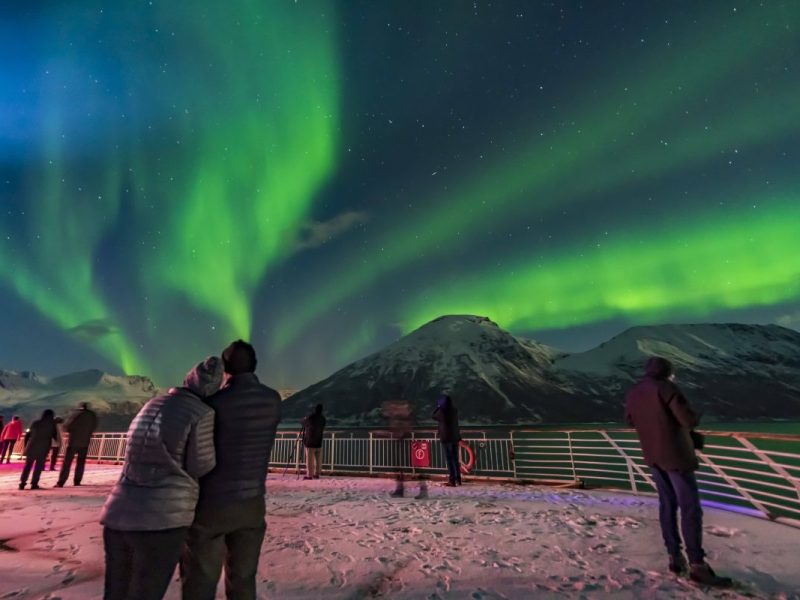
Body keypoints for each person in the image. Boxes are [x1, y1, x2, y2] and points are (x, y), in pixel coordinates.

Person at [100, 357, 220, 600]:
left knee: (116, 591)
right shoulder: (202, 413)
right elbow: (200, 464)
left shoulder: (152, 404)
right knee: (147, 591)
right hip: (162, 519)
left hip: (119, 510)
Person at [181, 340, 281, 600]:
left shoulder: (213, 403)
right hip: (253, 502)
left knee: (200, 579)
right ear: (255, 365)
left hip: (212, 503)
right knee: (243, 579)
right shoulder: (273, 400)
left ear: (225, 369)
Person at [625, 357, 732, 587]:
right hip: (676, 457)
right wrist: (696, 413)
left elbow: (631, 421)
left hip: (653, 456)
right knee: (690, 509)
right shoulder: (667, 388)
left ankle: (675, 557)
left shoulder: (634, 392)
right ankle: (697, 565)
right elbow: (687, 419)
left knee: (667, 505)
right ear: (667, 372)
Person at [384, 400, 428, 500]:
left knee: (417, 466)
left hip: (412, 443)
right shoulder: (399, 418)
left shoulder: (408, 419)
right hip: (403, 443)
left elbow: (405, 430)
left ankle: (422, 489)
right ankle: (401, 489)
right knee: (399, 466)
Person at [57, 402, 98, 487]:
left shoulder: (75, 414)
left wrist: (68, 430)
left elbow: (67, 426)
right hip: (85, 441)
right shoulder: (92, 415)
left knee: (67, 462)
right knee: (81, 462)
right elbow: (94, 426)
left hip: (73, 441)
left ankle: (61, 481)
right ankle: (77, 481)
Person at [19, 410, 57, 490]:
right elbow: (54, 436)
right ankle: (34, 483)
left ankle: (22, 483)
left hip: (32, 446)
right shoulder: (52, 425)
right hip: (43, 447)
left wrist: (26, 446)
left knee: (28, 465)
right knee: (38, 466)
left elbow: (28, 434)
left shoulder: (36, 423)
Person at [432, 394, 462, 486]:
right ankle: (458, 479)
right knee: (455, 459)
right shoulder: (454, 410)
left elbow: (433, 416)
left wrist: (438, 407)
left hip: (446, 438)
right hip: (454, 437)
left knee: (449, 459)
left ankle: (452, 480)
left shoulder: (441, 412)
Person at [302, 404, 326, 480]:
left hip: (310, 442)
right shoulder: (323, 418)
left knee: (309, 460)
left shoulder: (311, 417)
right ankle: (317, 474)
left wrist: (305, 418)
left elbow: (304, 423)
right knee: (318, 460)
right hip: (319, 441)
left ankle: (309, 475)